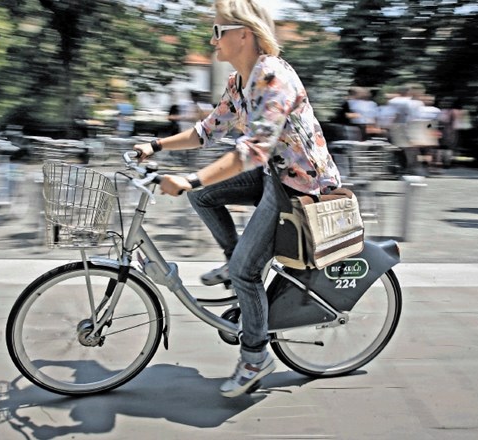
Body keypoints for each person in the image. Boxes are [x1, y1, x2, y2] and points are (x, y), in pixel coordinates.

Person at [133, 0, 340, 398]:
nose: (211, 39)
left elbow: (253, 151)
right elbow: (205, 132)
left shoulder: (272, 75)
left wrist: (191, 177)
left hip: (300, 184)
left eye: (217, 31)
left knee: (246, 269)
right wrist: (154, 146)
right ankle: (237, 262)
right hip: (274, 175)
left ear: (242, 33)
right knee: (206, 197)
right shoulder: (237, 82)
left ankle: (255, 356)